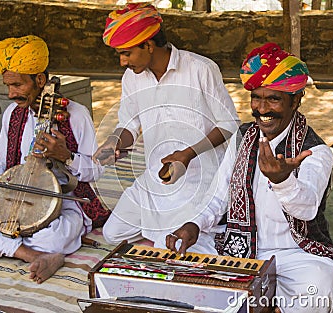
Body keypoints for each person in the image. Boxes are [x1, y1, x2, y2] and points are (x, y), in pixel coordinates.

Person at [166, 43, 333, 312]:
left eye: (273, 99)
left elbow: (306, 208)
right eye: (256, 98)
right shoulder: (243, 137)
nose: (262, 108)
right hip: (239, 247)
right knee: (177, 252)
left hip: (295, 254)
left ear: (296, 100)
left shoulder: (315, 151)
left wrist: (283, 181)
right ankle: (264, 300)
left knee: (322, 282)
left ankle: (268, 300)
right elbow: (218, 196)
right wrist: (195, 224)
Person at [93, 3, 240, 251]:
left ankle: (196, 229)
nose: (122, 61)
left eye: (126, 53)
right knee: (112, 233)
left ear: (148, 46)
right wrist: (114, 142)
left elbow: (230, 124)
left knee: (170, 245)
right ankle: (163, 229)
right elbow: (128, 124)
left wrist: (188, 154)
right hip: (155, 179)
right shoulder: (132, 77)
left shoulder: (200, 69)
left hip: (200, 183)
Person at [0, 35, 109, 283]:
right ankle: (32, 254)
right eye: (8, 86)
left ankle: (17, 246)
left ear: (40, 80)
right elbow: (0, 166)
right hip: (14, 197)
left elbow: (96, 171)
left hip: (63, 201)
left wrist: (66, 157)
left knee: (54, 237)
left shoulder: (76, 115)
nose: (12, 94)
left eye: (18, 85)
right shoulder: (13, 114)